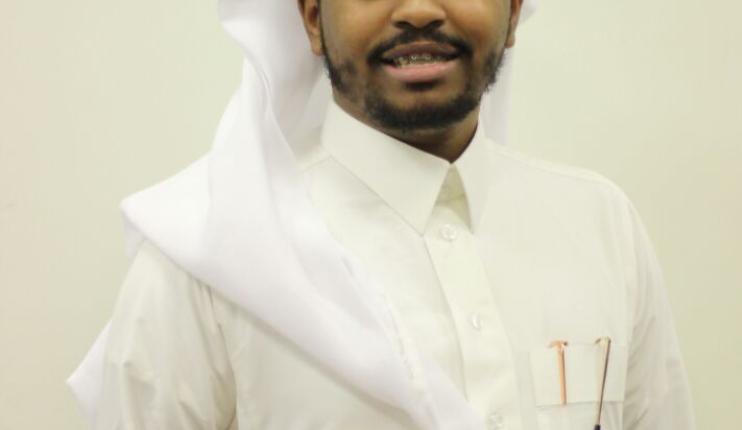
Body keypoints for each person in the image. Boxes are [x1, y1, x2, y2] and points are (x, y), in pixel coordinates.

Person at [69, 0, 696, 429]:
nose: (418, 10)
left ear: (512, 12)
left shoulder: (600, 224)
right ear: (312, 19)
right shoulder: (206, 259)